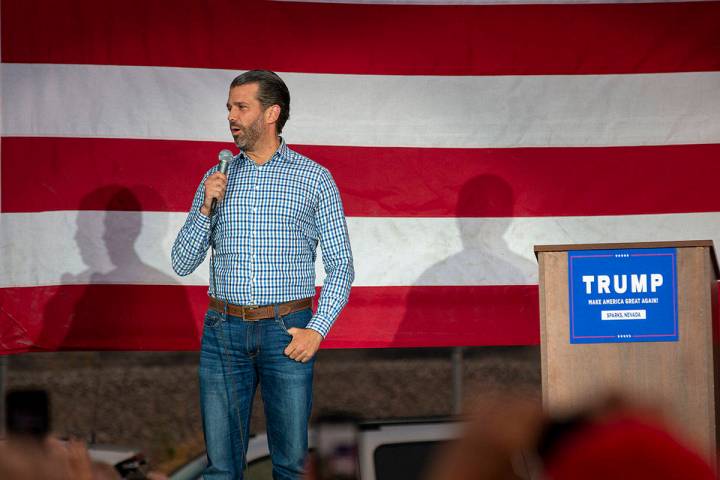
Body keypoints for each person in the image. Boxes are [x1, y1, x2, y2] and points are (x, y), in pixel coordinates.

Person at [171, 70, 354, 479]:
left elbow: (341, 265)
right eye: (229, 108)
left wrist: (317, 329)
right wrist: (205, 208)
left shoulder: (313, 178)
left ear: (271, 113)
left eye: (241, 107)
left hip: (285, 330)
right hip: (223, 331)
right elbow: (182, 262)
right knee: (221, 469)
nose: (232, 117)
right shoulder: (217, 177)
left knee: (289, 466)